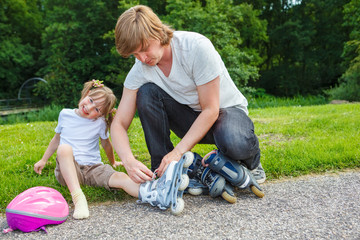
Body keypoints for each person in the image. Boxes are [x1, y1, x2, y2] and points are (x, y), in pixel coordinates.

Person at [111, 5, 266, 186]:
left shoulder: (195, 47)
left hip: (226, 114)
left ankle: (251, 161)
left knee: (234, 142)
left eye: (144, 48)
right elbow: (119, 124)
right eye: (135, 54)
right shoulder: (140, 70)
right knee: (146, 93)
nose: (142, 58)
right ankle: (164, 171)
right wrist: (128, 161)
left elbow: (210, 110)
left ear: (158, 32)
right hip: (192, 119)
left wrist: (178, 153)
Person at [34, 80, 189, 219]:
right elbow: (56, 139)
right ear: (87, 94)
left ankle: (156, 193)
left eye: (97, 109)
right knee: (64, 149)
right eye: (90, 100)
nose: (89, 107)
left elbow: (106, 144)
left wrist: (113, 162)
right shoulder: (65, 114)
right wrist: (43, 159)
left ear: (101, 114)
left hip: (93, 168)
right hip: (68, 170)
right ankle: (78, 197)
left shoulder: (99, 123)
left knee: (121, 177)